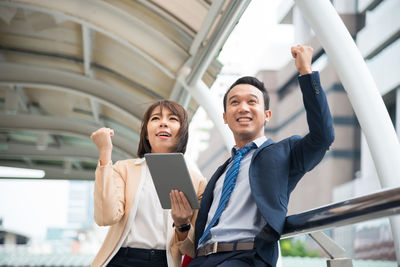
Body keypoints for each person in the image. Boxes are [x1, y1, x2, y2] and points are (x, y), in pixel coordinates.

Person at [189, 45, 335, 267]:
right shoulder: (223, 171)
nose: (243, 108)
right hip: (202, 258)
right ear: (225, 118)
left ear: (267, 115)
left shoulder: (284, 153)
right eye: (234, 102)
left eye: (252, 101)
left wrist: (306, 72)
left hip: (244, 258)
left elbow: (323, 136)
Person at [90, 100, 206, 267]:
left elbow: (192, 249)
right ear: (145, 133)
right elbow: (105, 217)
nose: (163, 122)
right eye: (156, 118)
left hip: (163, 262)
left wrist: (182, 225)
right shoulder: (124, 169)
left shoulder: (197, 182)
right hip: (119, 259)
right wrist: (105, 153)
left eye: (172, 119)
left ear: (183, 132)